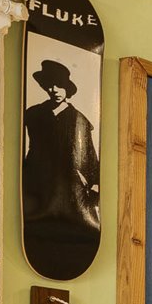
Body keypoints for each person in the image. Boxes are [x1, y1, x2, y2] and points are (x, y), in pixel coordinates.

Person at [22, 58, 100, 246]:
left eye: (59, 85)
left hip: (67, 188)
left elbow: (89, 157)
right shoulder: (34, 114)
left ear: (66, 88)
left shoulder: (79, 120)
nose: (54, 90)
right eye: (50, 85)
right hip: (37, 183)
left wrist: (95, 186)